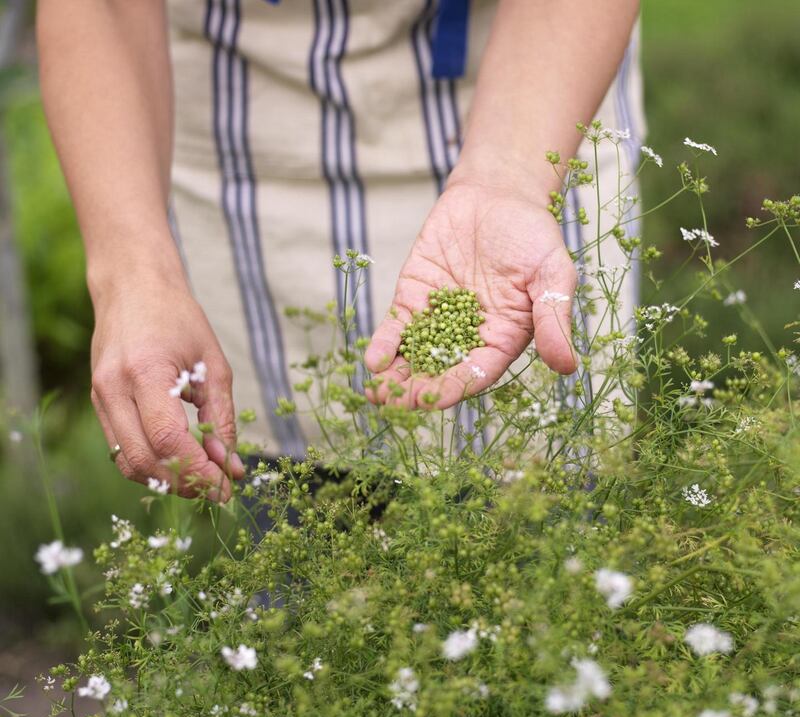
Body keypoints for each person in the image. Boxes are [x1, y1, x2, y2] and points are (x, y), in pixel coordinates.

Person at [36, 0, 643, 502]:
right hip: (242, 111)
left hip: (531, 91)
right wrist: (134, 276)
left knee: (545, 523)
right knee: (301, 554)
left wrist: (509, 180)